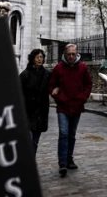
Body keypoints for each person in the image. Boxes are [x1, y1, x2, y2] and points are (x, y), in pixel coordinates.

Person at [48, 43, 92, 177]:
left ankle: (69, 159)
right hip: (63, 106)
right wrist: (56, 95)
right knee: (63, 133)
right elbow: (51, 86)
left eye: (73, 54)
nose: (71, 56)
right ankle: (62, 163)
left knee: (71, 134)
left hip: (77, 106)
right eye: (69, 54)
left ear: (76, 53)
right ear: (65, 54)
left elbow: (88, 84)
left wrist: (82, 98)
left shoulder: (83, 67)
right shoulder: (58, 68)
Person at [19, 49, 50, 154]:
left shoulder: (47, 74)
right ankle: (27, 162)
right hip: (28, 111)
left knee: (35, 141)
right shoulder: (25, 74)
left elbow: (54, 86)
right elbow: (18, 92)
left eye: (41, 57)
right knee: (28, 140)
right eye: (37, 57)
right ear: (32, 59)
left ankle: (31, 161)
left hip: (41, 112)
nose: (39, 59)